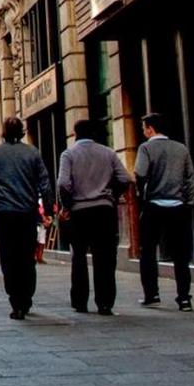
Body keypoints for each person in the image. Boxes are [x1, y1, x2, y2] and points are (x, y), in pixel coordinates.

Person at [0, 117, 53, 320]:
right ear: (21, 131)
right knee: (26, 256)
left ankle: (15, 300)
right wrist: (48, 209)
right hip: (27, 212)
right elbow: (45, 183)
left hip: (4, 213)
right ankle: (26, 297)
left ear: (3, 131)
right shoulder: (32, 152)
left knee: (8, 257)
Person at [58, 119, 131, 315]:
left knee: (79, 257)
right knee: (105, 257)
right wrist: (112, 196)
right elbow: (125, 179)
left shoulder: (69, 154)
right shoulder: (108, 153)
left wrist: (67, 205)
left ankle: (80, 302)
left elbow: (63, 183)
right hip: (104, 211)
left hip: (79, 211)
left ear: (75, 134)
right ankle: (105, 302)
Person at [135, 112, 194, 312]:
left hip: (154, 206)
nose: (143, 131)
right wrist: (188, 203)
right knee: (181, 255)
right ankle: (184, 298)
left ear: (150, 129)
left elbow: (140, 173)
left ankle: (152, 294)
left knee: (147, 252)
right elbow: (190, 178)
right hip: (178, 207)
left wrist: (142, 198)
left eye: (144, 128)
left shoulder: (145, 148)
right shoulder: (181, 149)